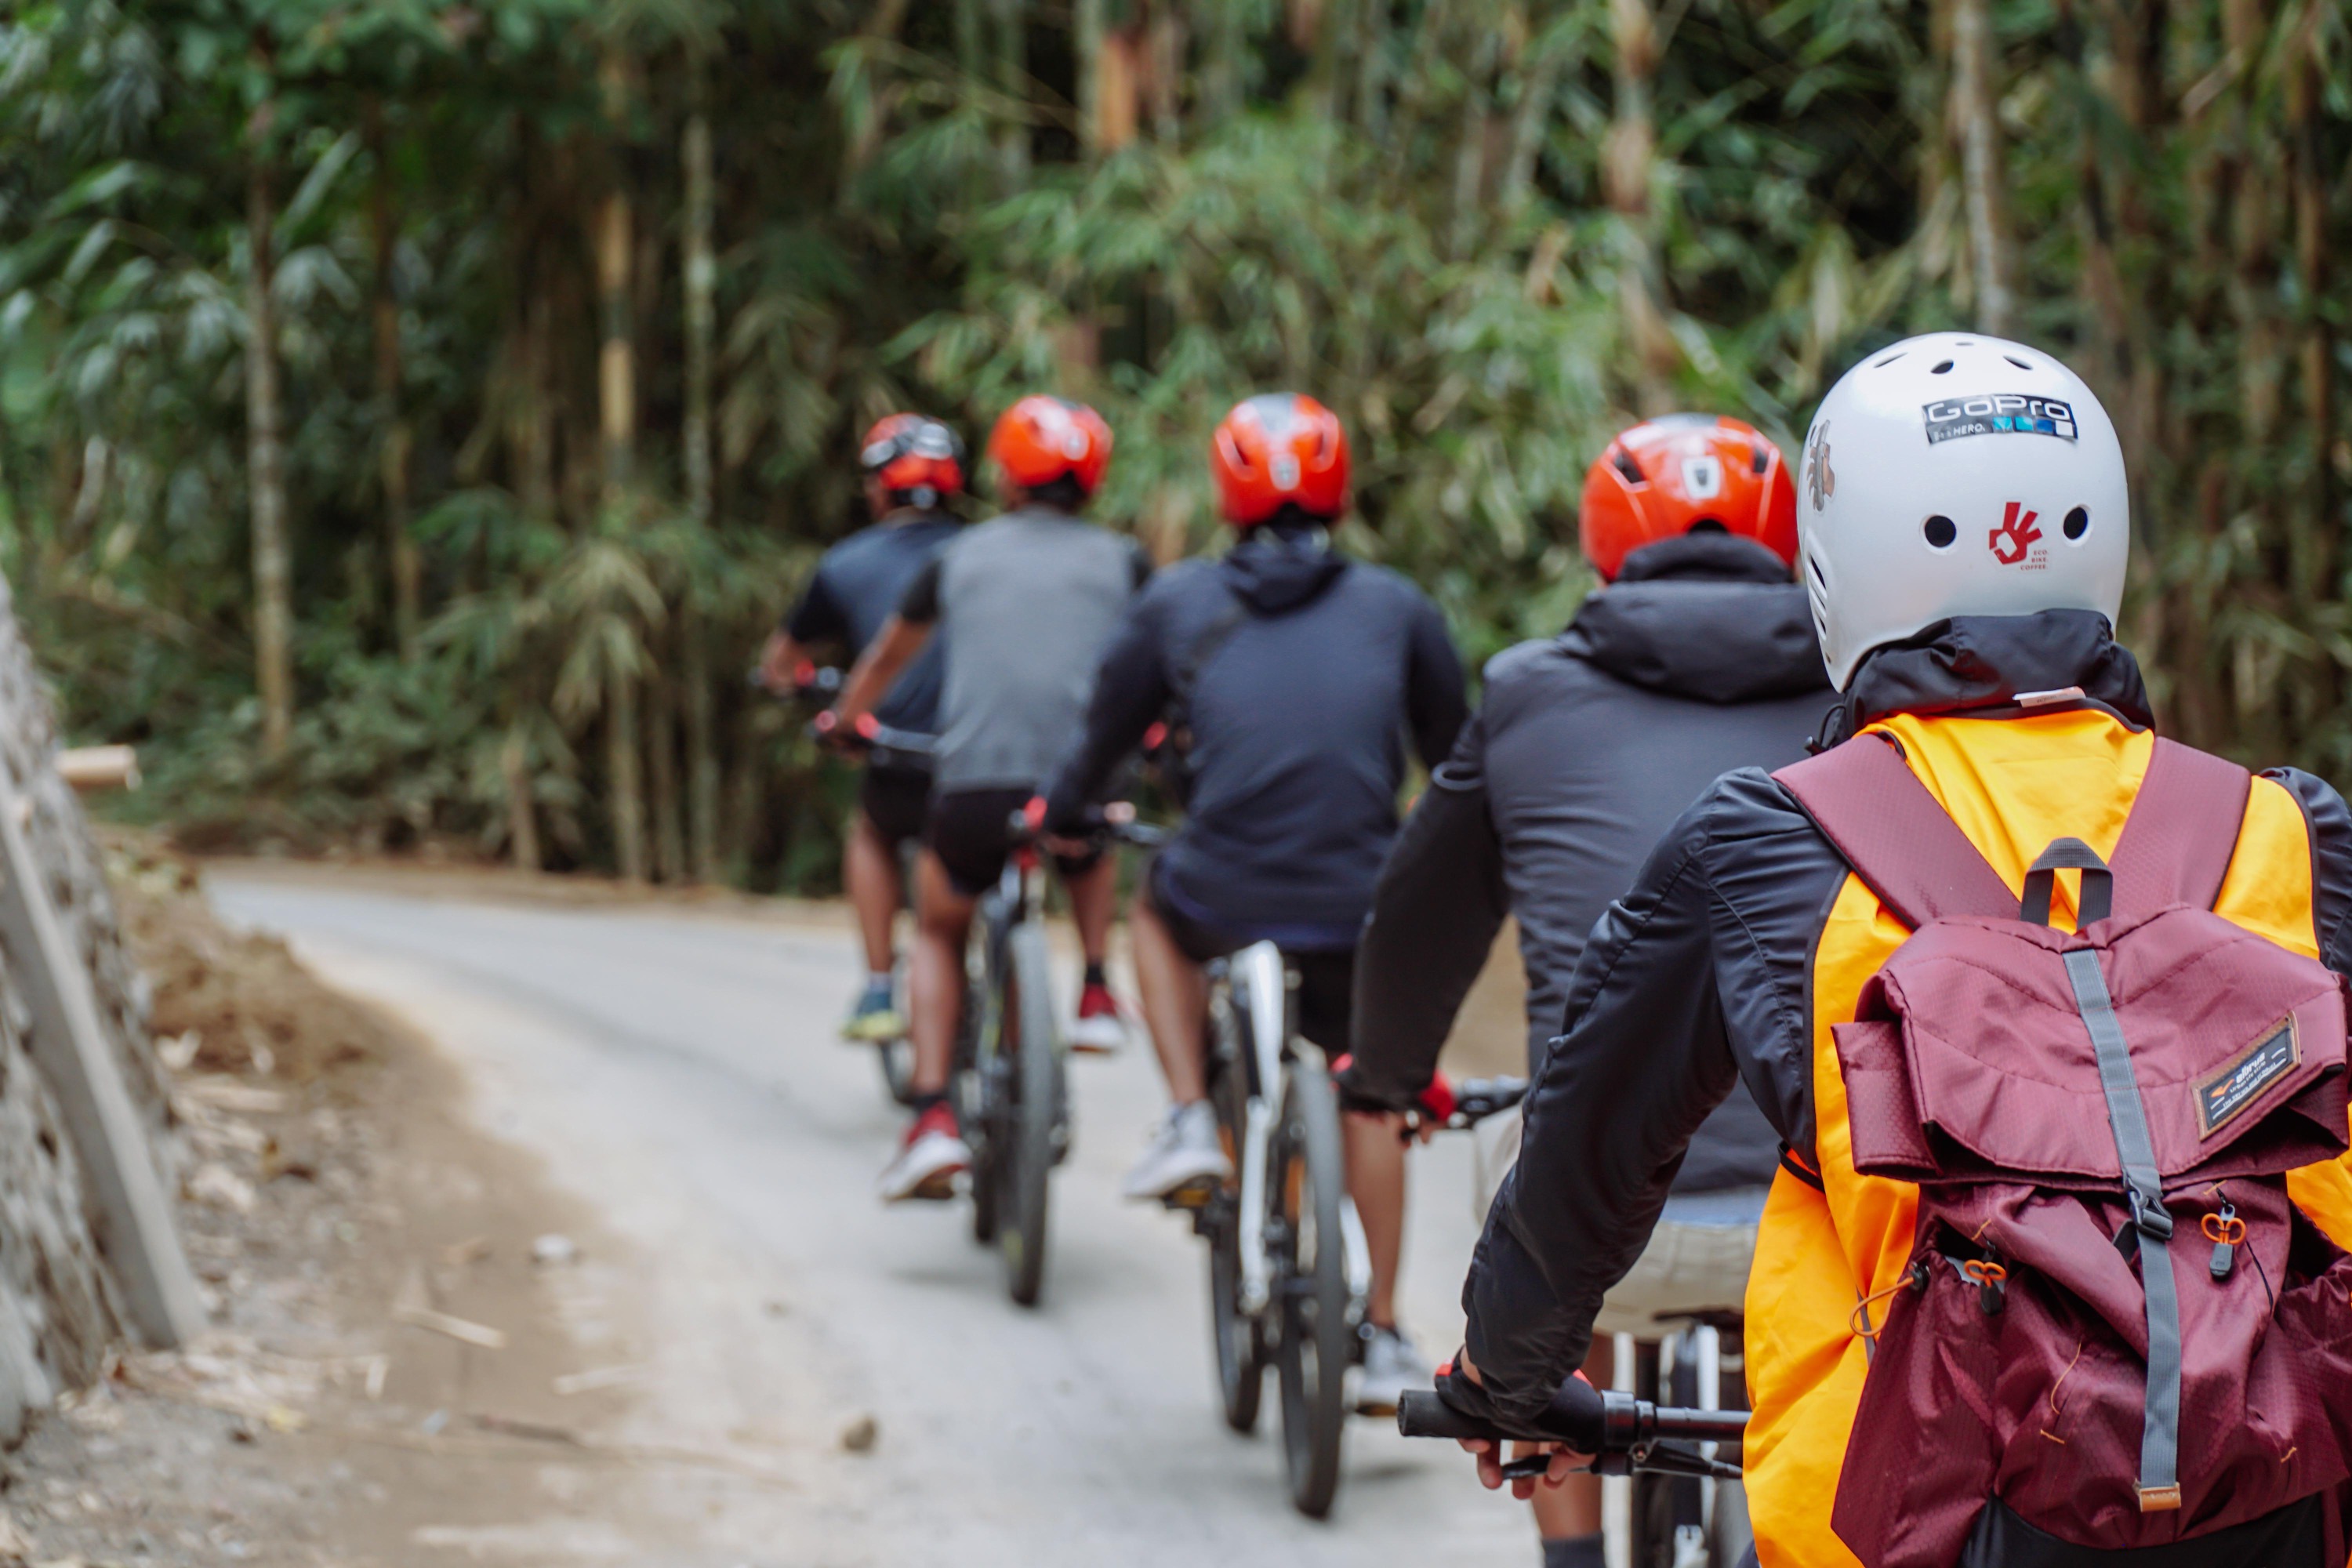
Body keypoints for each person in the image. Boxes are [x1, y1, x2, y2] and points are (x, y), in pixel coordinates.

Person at [1438, 333, 2352, 1566]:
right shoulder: (2290, 828)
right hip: (2270, 1490)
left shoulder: (1769, 841)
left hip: (1910, 1514)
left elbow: (1584, 1162)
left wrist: (1507, 1378)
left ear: (1837, 563)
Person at [1338, 414, 1825, 1548]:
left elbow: (1415, 923)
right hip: (1825, 1211)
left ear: (1604, 545)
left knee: (1566, 1167)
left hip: (1619, 1241)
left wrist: (1392, 1080)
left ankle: (1573, 1546)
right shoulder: (1870, 706)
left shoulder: (1524, 693)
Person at [1041, 394, 1467, 1372]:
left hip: (1220, 890)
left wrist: (1059, 813)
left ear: (1226, 490)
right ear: (1340, 487)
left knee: (1155, 903)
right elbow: (1459, 761)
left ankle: (1194, 1114)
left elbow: (1102, 739)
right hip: (1365, 903)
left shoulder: (1177, 601)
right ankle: (1390, 1328)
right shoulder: (1396, 605)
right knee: (1370, 1093)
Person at [836, 394, 1151, 1202]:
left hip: (973, 788)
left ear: (1006, 477)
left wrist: (846, 718)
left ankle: (933, 1112)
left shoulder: (961, 559)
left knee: (940, 925)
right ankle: (1091, 985)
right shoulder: (1125, 561)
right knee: (1089, 822)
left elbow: (886, 657)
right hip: (1078, 791)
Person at [760, 413, 966, 1044]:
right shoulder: (988, 552)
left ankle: (879, 985)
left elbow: (779, 665)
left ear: (879, 488)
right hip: (992, 752)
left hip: (902, 760)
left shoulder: (846, 563)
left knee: (873, 831)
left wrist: (814, 690)